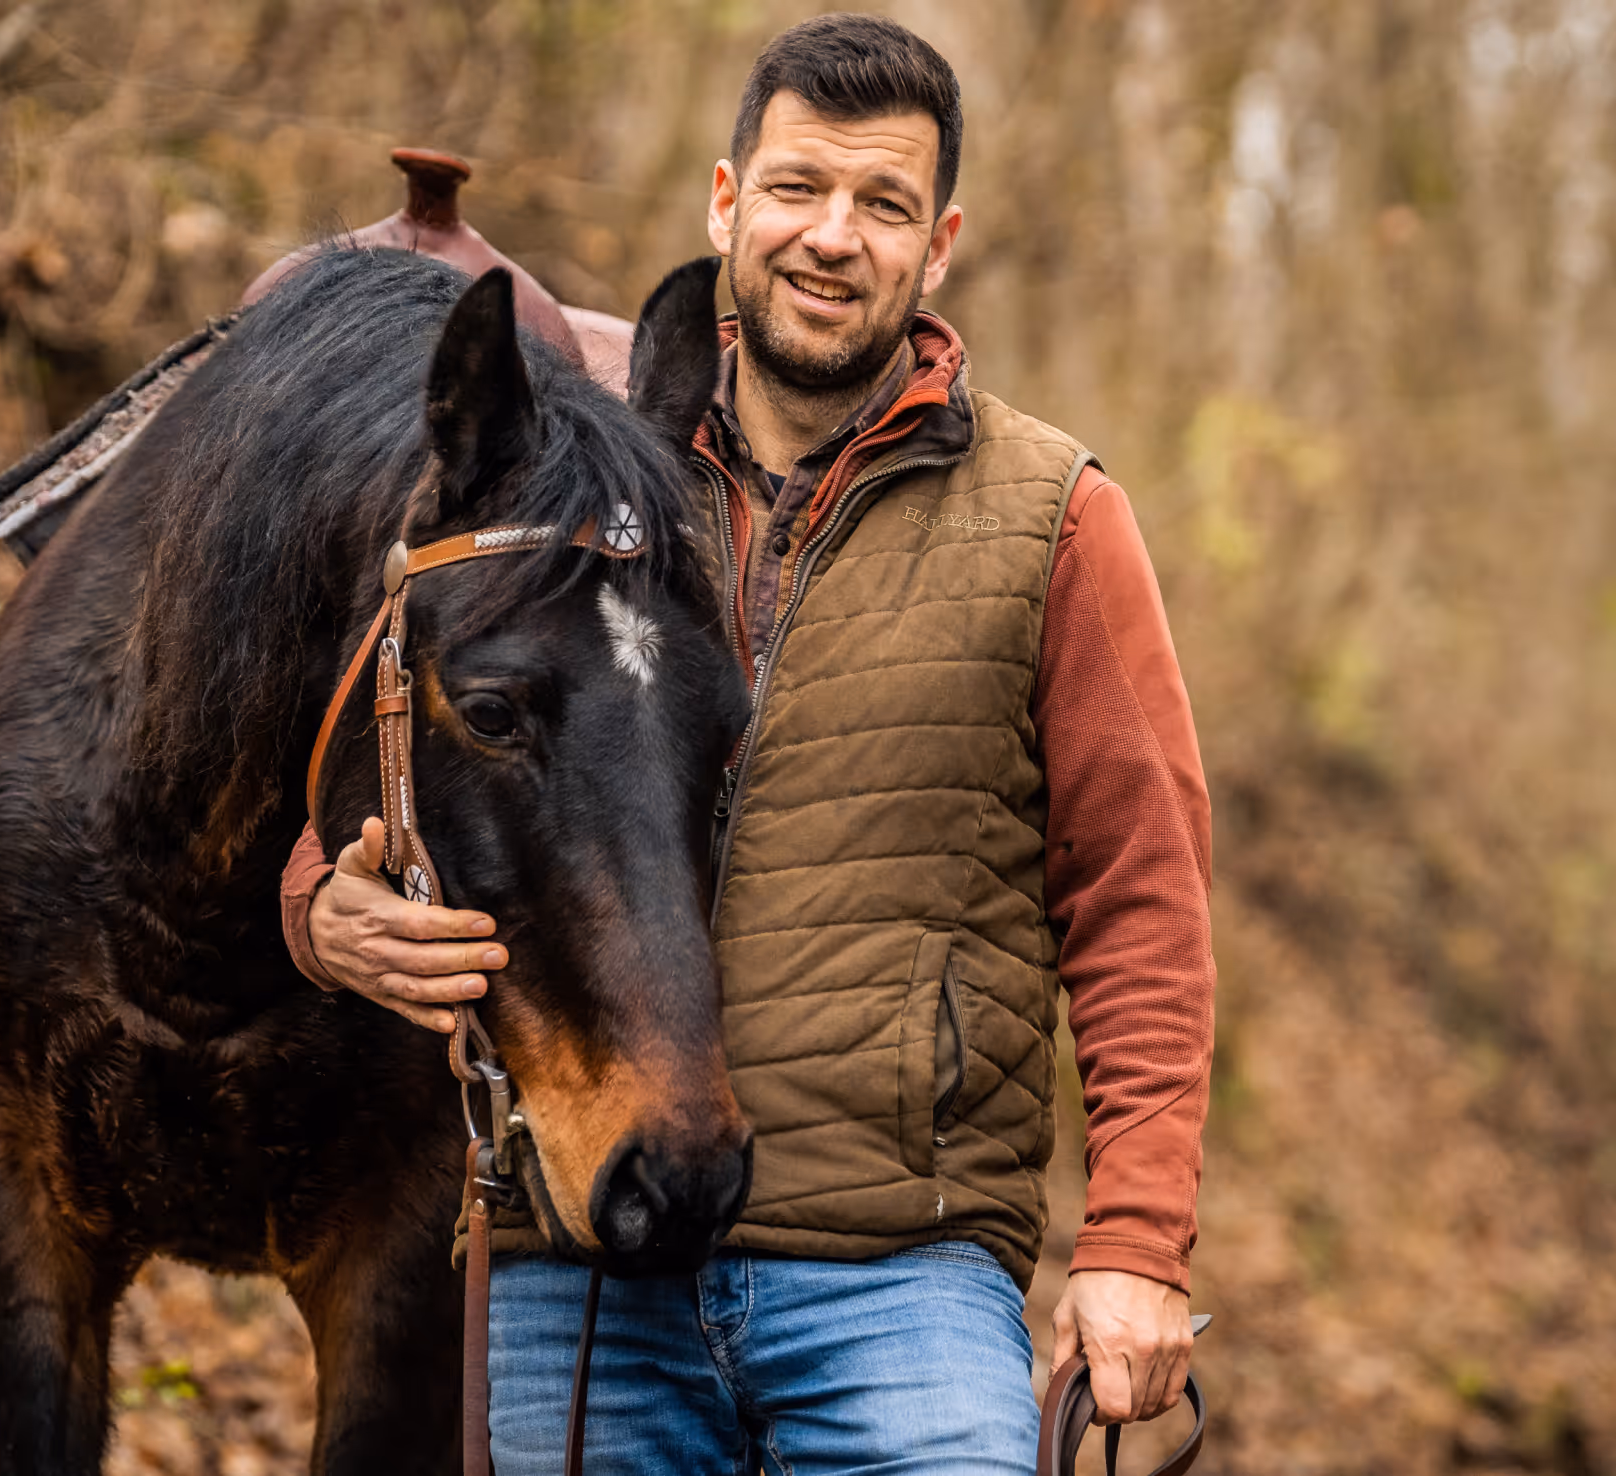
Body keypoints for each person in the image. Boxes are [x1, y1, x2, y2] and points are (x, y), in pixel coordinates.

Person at [279, 15, 1214, 1473]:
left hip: (897, 1276)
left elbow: (1141, 901)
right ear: (727, 205)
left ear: (940, 246)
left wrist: (1138, 1243)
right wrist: (319, 909)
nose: (832, 236)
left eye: (884, 203)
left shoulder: (1057, 519)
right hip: (579, 1252)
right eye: (796, 188)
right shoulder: (570, 481)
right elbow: (388, 732)